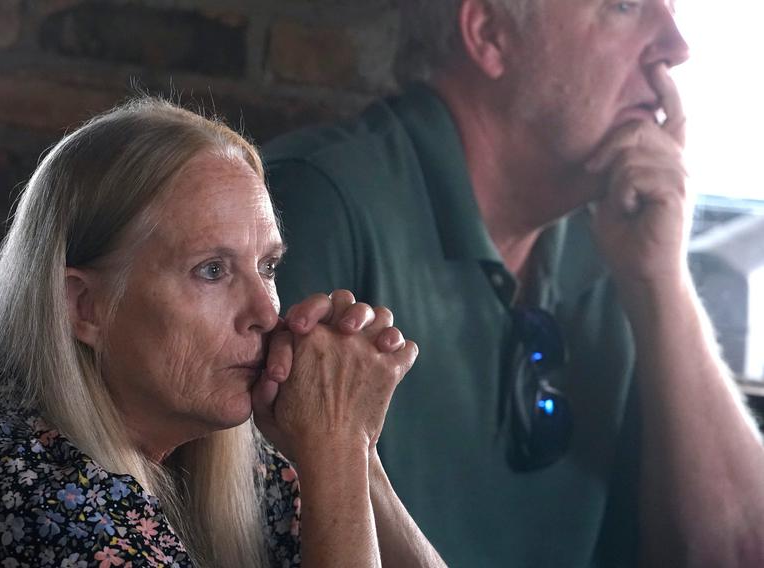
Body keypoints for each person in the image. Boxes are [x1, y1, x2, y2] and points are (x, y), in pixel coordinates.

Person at [264, 0, 764, 566]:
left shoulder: (619, 230)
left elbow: (738, 551)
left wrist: (661, 282)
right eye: (624, 7)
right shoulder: (313, 209)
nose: (678, 46)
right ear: (491, 34)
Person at [0, 98, 446, 567]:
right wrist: (335, 446)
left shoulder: (249, 472)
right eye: (211, 270)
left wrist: (357, 450)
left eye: (266, 267)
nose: (266, 314)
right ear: (84, 306)